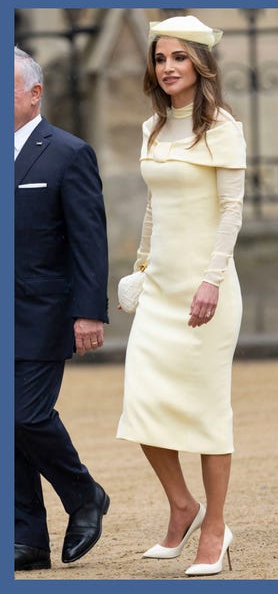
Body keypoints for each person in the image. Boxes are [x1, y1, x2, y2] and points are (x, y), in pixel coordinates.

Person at [115, 15, 246, 577]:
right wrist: (141, 268)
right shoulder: (150, 128)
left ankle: (215, 528)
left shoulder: (222, 126)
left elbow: (231, 210)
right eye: (160, 58)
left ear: (200, 64)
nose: (167, 67)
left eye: (179, 58)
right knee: (141, 403)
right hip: (161, 287)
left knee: (206, 412)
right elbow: (153, 206)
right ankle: (181, 504)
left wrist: (211, 280)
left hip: (206, 290)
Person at [13, 45, 110, 572]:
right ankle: (26, 539)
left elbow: (89, 241)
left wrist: (88, 311)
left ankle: (84, 495)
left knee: (25, 416)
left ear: (34, 93)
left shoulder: (68, 153)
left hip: (42, 310)